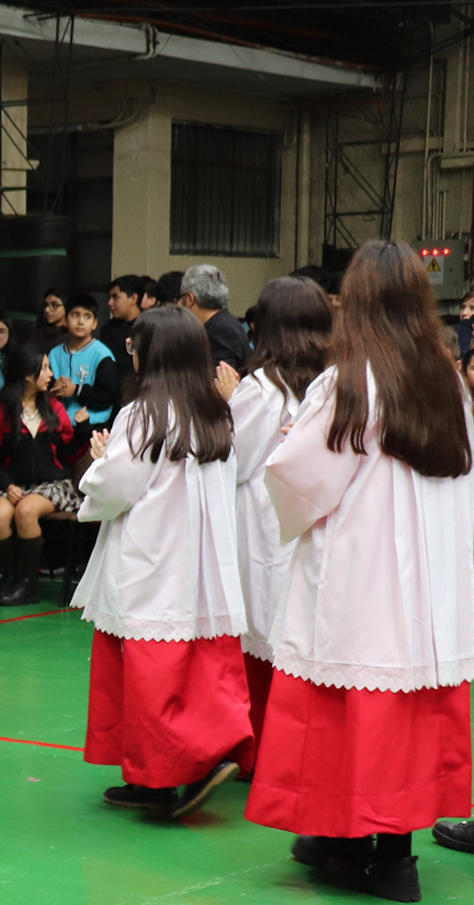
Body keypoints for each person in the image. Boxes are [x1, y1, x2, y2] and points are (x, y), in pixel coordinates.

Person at [246, 241, 474, 902]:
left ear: (357, 302)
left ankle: (354, 849)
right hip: (431, 586)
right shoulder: (447, 382)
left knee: (346, 716)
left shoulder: (350, 382)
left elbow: (300, 476)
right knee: (405, 723)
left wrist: (289, 458)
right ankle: (384, 854)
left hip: (362, 575)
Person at [72, 306, 250, 819]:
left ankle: (163, 778)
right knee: (196, 671)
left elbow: (116, 489)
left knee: (151, 678)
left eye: (134, 346)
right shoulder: (215, 412)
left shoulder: (143, 415)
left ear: (151, 355)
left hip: (151, 560)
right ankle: (203, 755)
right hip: (201, 562)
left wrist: (101, 462)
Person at [227, 276, 331, 755]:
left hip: (264, 523)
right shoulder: (332, 381)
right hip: (313, 520)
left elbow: (233, 462)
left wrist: (224, 404)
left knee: (260, 634)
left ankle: (258, 751)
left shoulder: (261, 388)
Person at [0, 345, 79, 607]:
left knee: (25, 511)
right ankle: (10, 579)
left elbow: (69, 449)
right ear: (26, 375)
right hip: (11, 483)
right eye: (44, 368)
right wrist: (7, 484)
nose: (50, 374)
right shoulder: (0, 411)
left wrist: (85, 429)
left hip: (52, 483)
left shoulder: (54, 408)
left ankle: (29, 584)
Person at [48, 293, 121, 436]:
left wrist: (77, 390)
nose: (81, 322)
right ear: (65, 320)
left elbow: (109, 396)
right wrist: (55, 387)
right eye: (75, 315)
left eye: (87, 317)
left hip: (92, 426)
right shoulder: (54, 354)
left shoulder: (102, 355)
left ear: (95, 323)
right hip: (57, 425)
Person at [181, 265, 251, 371]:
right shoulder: (226, 322)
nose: (179, 305)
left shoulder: (219, 331)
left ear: (190, 299)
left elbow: (219, 378)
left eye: (181, 297)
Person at [98, 275, 145, 361]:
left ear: (133, 299)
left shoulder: (148, 327)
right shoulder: (108, 330)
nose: (110, 303)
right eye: (110, 298)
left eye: (115, 297)